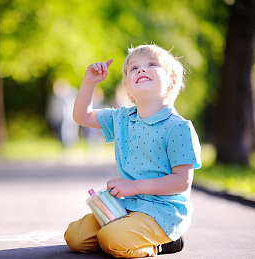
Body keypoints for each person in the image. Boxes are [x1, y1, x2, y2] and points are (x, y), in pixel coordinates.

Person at [64, 44, 202, 258]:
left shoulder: (178, 127)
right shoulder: (122, 118)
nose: (141, 70)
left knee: (110, 239)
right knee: (74, 237)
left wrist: (134, 186)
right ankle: (124, 237)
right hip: (125, 205)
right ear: (128, 88)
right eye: (133, 68)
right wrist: (89, 83)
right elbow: (82, 116)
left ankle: (164, 243)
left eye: (152, 64)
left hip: (162, 213)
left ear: (171, 81)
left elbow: (181, 181)